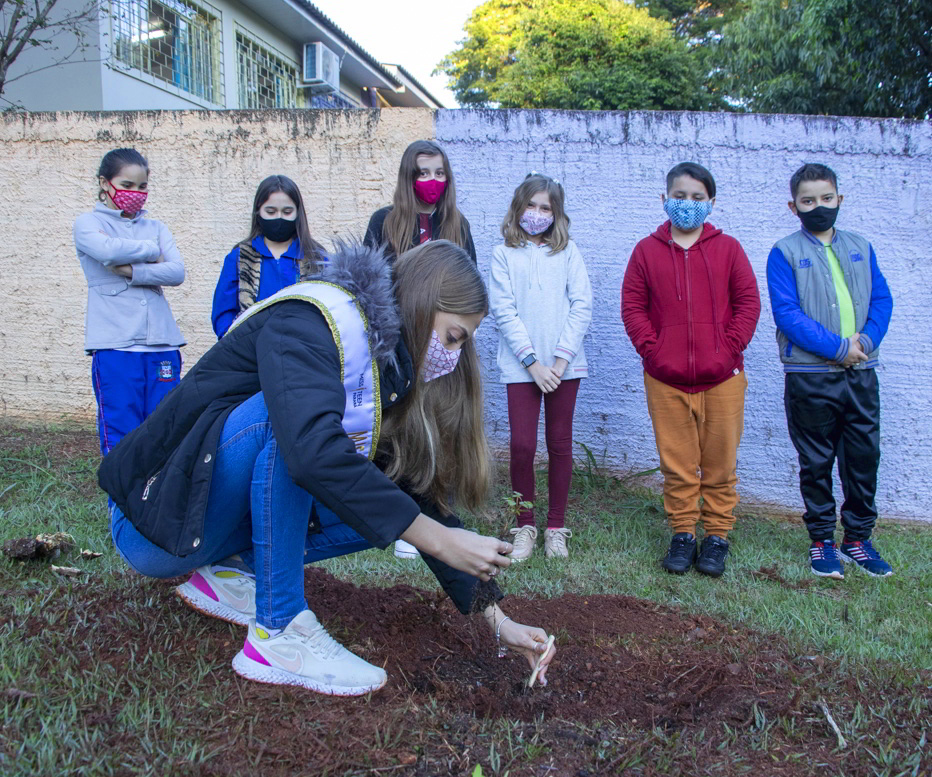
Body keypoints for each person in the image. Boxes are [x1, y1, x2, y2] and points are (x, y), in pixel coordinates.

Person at [99, 240, 556, 696]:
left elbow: (405, 493)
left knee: (382, 497)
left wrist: (499, 621)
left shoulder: (376, 368)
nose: (452, 356)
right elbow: (308, 451)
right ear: (422, 302)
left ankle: (235, 570)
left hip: (208, 525)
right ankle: (278, 634)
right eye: (453, 337)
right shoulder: (310, 319)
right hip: (154, 523)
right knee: (297, 430)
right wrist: (438, 539)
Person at [621, 162, 760, 579]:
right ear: (664, 199)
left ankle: (716, 537)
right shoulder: (645, 251)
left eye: (697, 198)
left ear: (711, 203)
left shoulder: (729, 249)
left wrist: (728, 348)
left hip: (723, 378)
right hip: (666, 379)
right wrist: (654, 352)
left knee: (720, 464)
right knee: (678, 464)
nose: (688, 205)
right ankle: (683, 533)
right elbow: (632, 307)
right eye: (679, 196)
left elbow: (748, 303)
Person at [767, 163, 894, 579]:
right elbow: (788, 314)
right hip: (810, 376)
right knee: (817, 460)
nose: (818, 207)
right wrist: (840, 348)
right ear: (793, 206)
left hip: (861, 372)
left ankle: (857, 539)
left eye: (825, 198)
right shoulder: (784, 252)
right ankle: (821, 541)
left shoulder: (861, 245)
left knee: (862, 457)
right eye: (808, 201)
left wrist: (865, 345)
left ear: (840, 199)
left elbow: (882, 301)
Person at [365, 140, 477, 559]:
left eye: (439, 173)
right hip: (398, 348)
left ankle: (433, 512)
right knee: (397, 429)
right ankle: (398, 520)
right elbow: (372, 283)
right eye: (423, 173)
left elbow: (471, 289)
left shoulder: (458, 225)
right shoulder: (384, 221)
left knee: (440, 428)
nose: (431, 181)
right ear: (408, 177)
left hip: (443, 350)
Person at [488, 173, 592, 561]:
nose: (537, 213)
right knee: (522, 445)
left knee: (560, 444)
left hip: (565, 366)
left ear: (557, 213)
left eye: (545, 207)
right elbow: (504, 310)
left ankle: (555, 527)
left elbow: (581, 305)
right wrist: (532, 362)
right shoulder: (504, 254)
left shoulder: (568, 253)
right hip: (522, 368)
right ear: (518, 208)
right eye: (530, 205)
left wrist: (560, 361)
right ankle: (525, 524)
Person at [73, 148, 185, 460]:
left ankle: (158, 509)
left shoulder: (157, 226)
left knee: (166, 436)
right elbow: (106, 251)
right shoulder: (87, 223)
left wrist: (132, 271)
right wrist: (152, 252)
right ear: (104, 183)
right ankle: (123, 510)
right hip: (116, 346)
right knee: (122, 440)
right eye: (127, 185)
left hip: (162, 344)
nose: (135, 194)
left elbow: (176, 272)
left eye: (142, 187)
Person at [211, 175, 325, 338]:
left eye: (287, 212)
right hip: (252, 353)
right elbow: (223, 313)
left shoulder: (317, 258)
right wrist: (235, 343)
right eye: (270, 212)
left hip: (303, 352)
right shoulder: (239, 258)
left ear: (298, 213)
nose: (279, 218)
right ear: (258, 211)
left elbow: (331, 311)